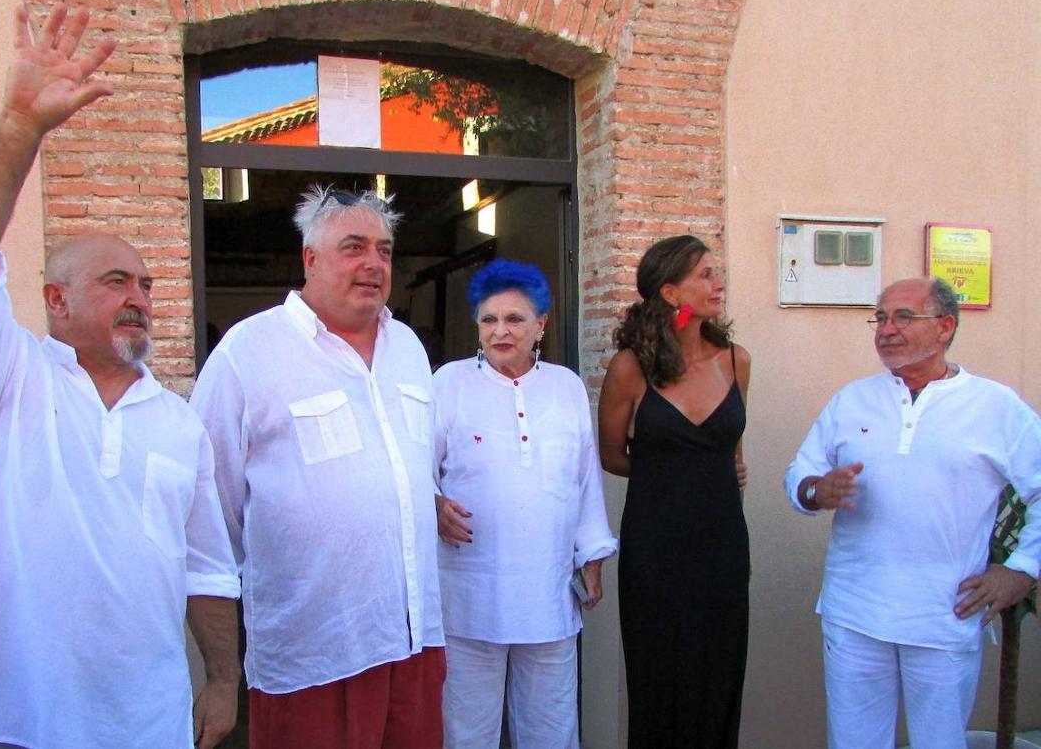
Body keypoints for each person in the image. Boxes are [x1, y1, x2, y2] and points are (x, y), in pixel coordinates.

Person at [0, 4, 241, 749]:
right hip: (9, 722)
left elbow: (209, 568)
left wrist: (222, 680)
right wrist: (17, 128)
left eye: (147, 286)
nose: (139, 299)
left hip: (146, 724)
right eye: (116, 281)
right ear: (55, 300)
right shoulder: (2, 379)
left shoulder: (179, 422)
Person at [189, 186, 445, 748]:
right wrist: (220, 671)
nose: (373, 263)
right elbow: (206, 518)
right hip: (314, 654)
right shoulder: (247, 352)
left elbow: (404, 467)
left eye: (383, 249)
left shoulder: (407, 348)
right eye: (353, 247)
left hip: (413, 641)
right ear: (310, 258)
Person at [785, 277, 1040, 749]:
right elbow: (801, 472)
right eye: (880, 318)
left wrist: (1021, 570)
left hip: (944, 615)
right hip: (854, 611)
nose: (886, 329)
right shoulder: (852, 399)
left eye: (903, 316)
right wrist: (817, 489)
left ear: (944, 327)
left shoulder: (994, 406)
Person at [433, 259, 617, 748]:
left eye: (514, 319)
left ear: (542, 325)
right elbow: (414, 472)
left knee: (552, 725)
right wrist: (433, 505)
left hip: (549, 592)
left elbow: (583, 483)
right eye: (489, 319)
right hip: (469, 594)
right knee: (467, 728)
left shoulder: (567, 387)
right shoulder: (448, 384)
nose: (500, 331)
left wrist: (592, 559)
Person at [597, 235, 751, 748]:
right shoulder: (630, 368)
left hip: (723, 550)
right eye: (705, 274)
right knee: (658, 686)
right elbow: (612, 455)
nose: (718, 282)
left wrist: (719, 472)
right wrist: (671, 475)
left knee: (718, 684)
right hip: (655, 555)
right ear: (669, 292)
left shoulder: (736, 361)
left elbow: (732, 450)